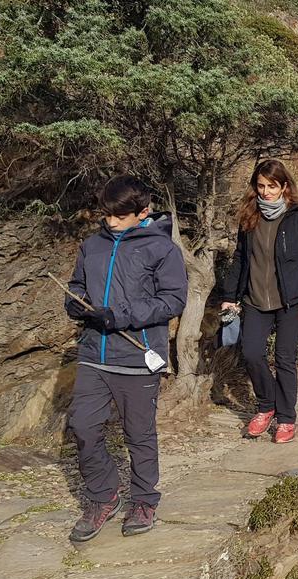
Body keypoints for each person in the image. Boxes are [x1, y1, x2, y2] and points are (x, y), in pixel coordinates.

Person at [65, 176, 188, 542]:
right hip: (92, 356)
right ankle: (104, 497)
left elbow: (172, 300)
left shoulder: (162, 249)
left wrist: (120, 315)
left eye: (120, 216)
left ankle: (145, 500)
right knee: (83, 427)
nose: (111, 222)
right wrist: (75, 303)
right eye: (107, 215)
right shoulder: (92, 245)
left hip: (137, 357)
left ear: (143, 212)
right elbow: (77, 286)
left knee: (139, 434)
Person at [221, 159, 298, 443]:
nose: (266, 192)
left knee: (284, 358)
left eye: (272, 186)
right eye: (261, 186)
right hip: (255, 299)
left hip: (290, 300)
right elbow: (240, 258)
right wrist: (229, 296)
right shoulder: (249, 217)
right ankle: (266, 407)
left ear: (284, 186)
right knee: (252, 353)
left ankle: (286, 418)